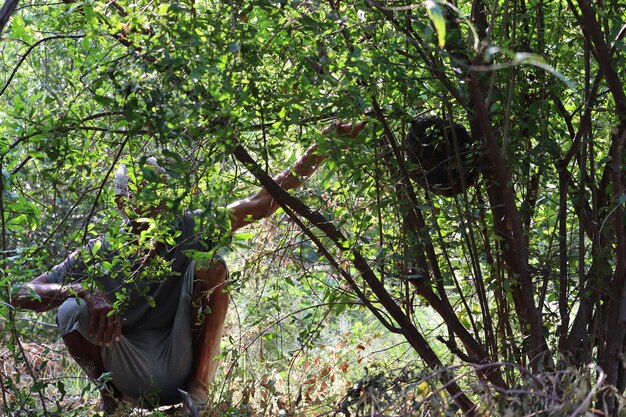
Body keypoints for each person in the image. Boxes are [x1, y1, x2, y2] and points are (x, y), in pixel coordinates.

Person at [9, 122, 366, 414]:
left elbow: (260, 203)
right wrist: (80, 290)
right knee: (70, 307)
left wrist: (322, 145)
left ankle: (199, 391)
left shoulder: (189, 228)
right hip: (127, 370)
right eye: (143, 196)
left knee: (212, 267)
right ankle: (112, 400)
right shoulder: (103, 252)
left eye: (160, 195)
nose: (154, 205)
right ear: (122, 202)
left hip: (179, 362)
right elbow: (19, 293)